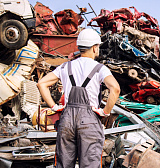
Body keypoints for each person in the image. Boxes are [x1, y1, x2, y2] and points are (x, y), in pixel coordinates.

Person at [37, 29, 120, 168]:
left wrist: (54, 107)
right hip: (90, 121)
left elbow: (42, 83)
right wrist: (105, 112)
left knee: (63, 164)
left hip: (67, 120)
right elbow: (115, 89)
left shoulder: (65, 66)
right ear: (94, 47)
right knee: (90, 164)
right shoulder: (100, 68)